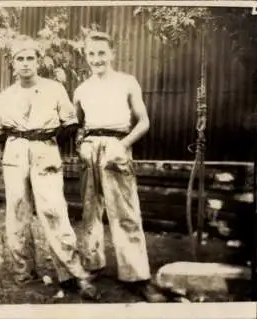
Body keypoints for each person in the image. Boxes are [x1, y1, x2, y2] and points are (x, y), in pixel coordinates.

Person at [0, 35, 99, 301]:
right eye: (20, 59)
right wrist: (19, 142)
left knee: (53, 210)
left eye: (30, 58)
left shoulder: (54, 88)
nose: (25, 64)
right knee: (17, 211)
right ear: (13, 64)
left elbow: (70, 123)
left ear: (38, 61)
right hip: (15, 151)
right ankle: (24, 271)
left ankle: (72, 272)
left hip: (45, 149)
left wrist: (46, 142)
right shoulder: (7, 95)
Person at [73, 31, 166, 303]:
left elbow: (144, 122)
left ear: (111, 53)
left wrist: (122, 145)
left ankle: (137, 276)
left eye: (102, 53)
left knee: (125, 213)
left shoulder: (127, 82)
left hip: (117, 146)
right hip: (90, 150)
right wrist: (81, 143)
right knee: (90, 211)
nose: (97, 59)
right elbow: (78, 124)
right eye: (91, 54)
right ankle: (93, 265)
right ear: (85, 57)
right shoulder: (81, 89)